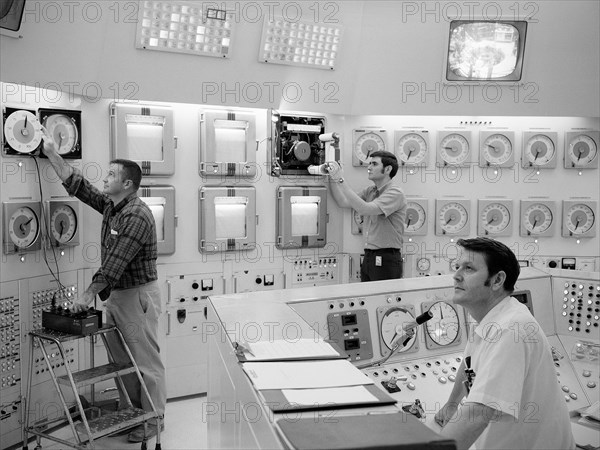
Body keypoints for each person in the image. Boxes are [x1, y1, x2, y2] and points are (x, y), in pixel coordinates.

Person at [41, 129, 166, 443]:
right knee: (123, 363)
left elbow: (115, 264)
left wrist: (86, 296)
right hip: (117, 296)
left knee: (145, 362)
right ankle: (134, 413)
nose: (105, 177)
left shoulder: (138, 215)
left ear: (127, 184)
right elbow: (80, 187)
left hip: (137, 297)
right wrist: (52, 153)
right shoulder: (114, 206)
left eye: (111, 174)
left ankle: (154, 419)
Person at [434, 237, 575, 450]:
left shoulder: (511, 329)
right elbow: (469, 363)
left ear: (497, 280)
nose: (456, 275)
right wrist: (452, 404)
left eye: (469, 268)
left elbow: (479, 413)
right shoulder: (489, 315)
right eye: (457, 267)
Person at [326, 151, 406, 281]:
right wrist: (331, 177)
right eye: (369, 164)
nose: (369, 168)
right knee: (368, 299)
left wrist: (341, 179)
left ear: (388, 169)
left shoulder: (395, 193)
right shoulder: (371, 191)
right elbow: (343, 201)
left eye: (374, 164)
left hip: (386, 258)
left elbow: (365, 209)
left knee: (382, 300)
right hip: (369, 256)